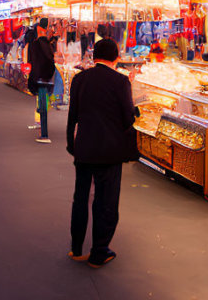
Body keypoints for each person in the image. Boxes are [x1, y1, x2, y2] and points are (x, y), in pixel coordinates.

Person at [66, 37, 138, 267]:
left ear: (94, 56)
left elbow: (72, 116)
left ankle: (76, 248)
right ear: (116, 57)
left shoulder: (79, 79)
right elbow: (128, 119)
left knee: (80, 198)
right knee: (105, 201)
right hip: (109, 151)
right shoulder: (121, 81)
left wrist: (71, 143)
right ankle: (99, 251)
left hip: (84, 147)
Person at [28, 19, 56, 144]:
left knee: (42, 105)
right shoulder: (50, 46)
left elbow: (31, 63)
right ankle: (42, 130)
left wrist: (33, 78)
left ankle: (44, 133)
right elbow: (52, 63)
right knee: (43, 105)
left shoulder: (34, 45)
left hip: (38, 78)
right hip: (47, 78)